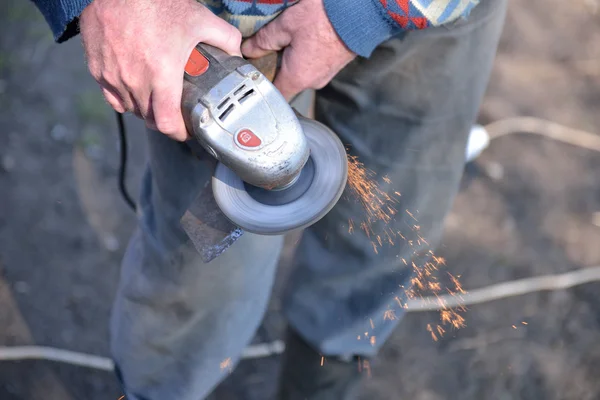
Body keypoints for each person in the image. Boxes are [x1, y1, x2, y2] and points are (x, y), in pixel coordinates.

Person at [29, 0, 507, 398]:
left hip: (434, 13)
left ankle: (325, 379)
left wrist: (365, 12)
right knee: (198, 282)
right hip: (221, 25)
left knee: (386, 234)